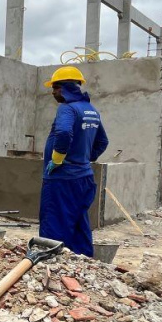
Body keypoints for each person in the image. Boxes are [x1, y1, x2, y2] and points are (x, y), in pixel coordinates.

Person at [40, 67, 109, 258]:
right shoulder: (91, 111)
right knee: (79, 223)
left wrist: (58, 159)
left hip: (62, 179)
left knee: (54, 223)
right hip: (84, 178)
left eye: (54, 88)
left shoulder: (67, 109)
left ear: (64, 87)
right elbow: (103, 142)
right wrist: (85, 158)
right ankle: (83, 261)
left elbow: (63, 133)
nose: (53, 92)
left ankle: (52, 263)